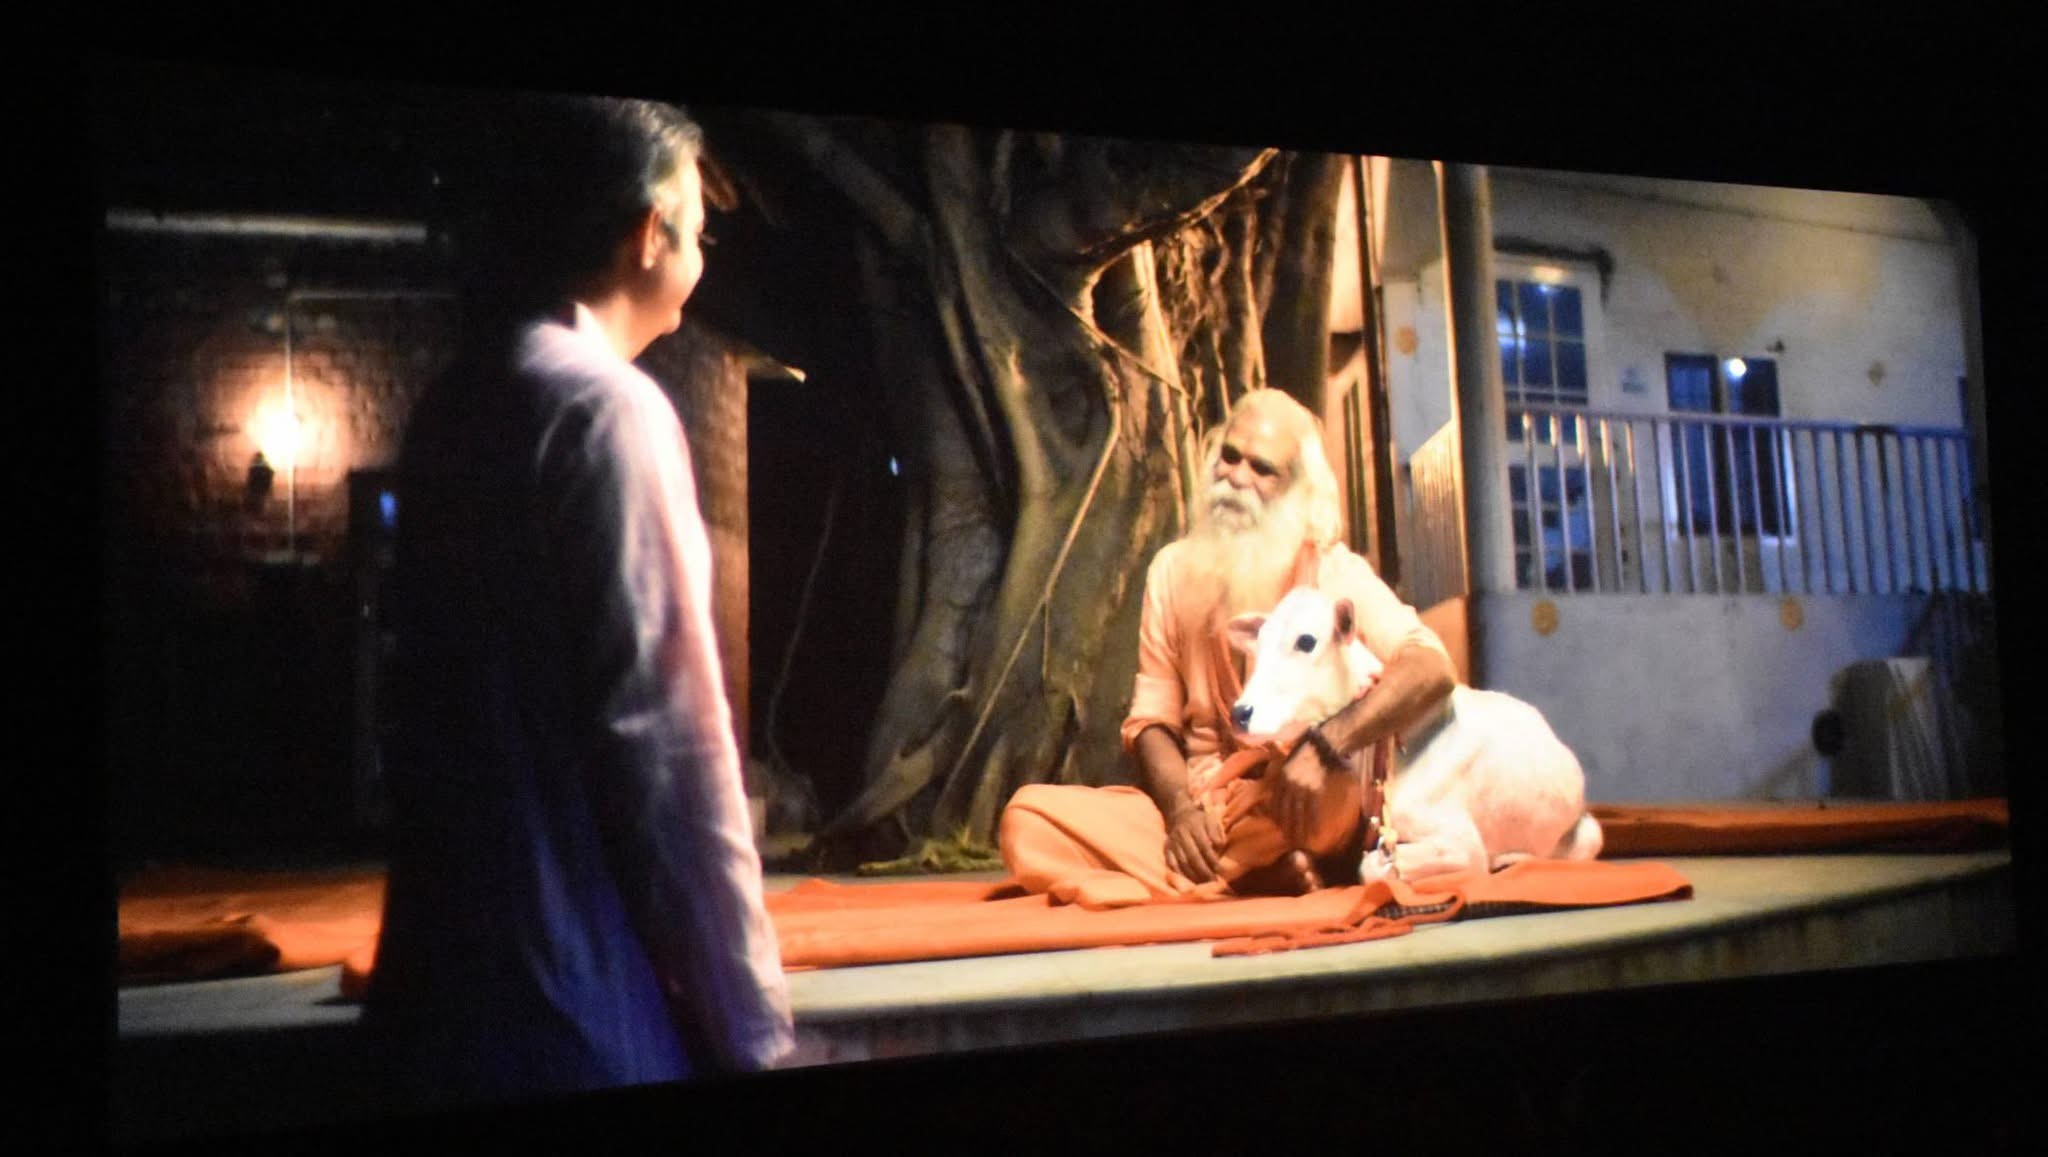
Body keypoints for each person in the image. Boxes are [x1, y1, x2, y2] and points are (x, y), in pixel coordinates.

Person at [362, 95, 793, 1110]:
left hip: (432, 984)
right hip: (571, 997)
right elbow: (668, 747)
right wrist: (752, 1024)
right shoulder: (605, 411)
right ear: (648, 233)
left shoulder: (460, 398)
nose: (704, 252)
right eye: (698, 227)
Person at [999, 388, 1458, 907]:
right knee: (1027, 819)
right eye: (1230, 457)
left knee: (1330, 797)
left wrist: (1324, 746)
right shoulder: (1172, 571)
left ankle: (1209, 876)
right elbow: (1151, 721)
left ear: (1297, 490)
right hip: (1203, 810)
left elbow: (1431, 667)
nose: (1237, 478)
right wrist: (1179, 810)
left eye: (1263, 469)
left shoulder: (1334, 572)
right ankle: (1249, 874)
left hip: (1295, 801)